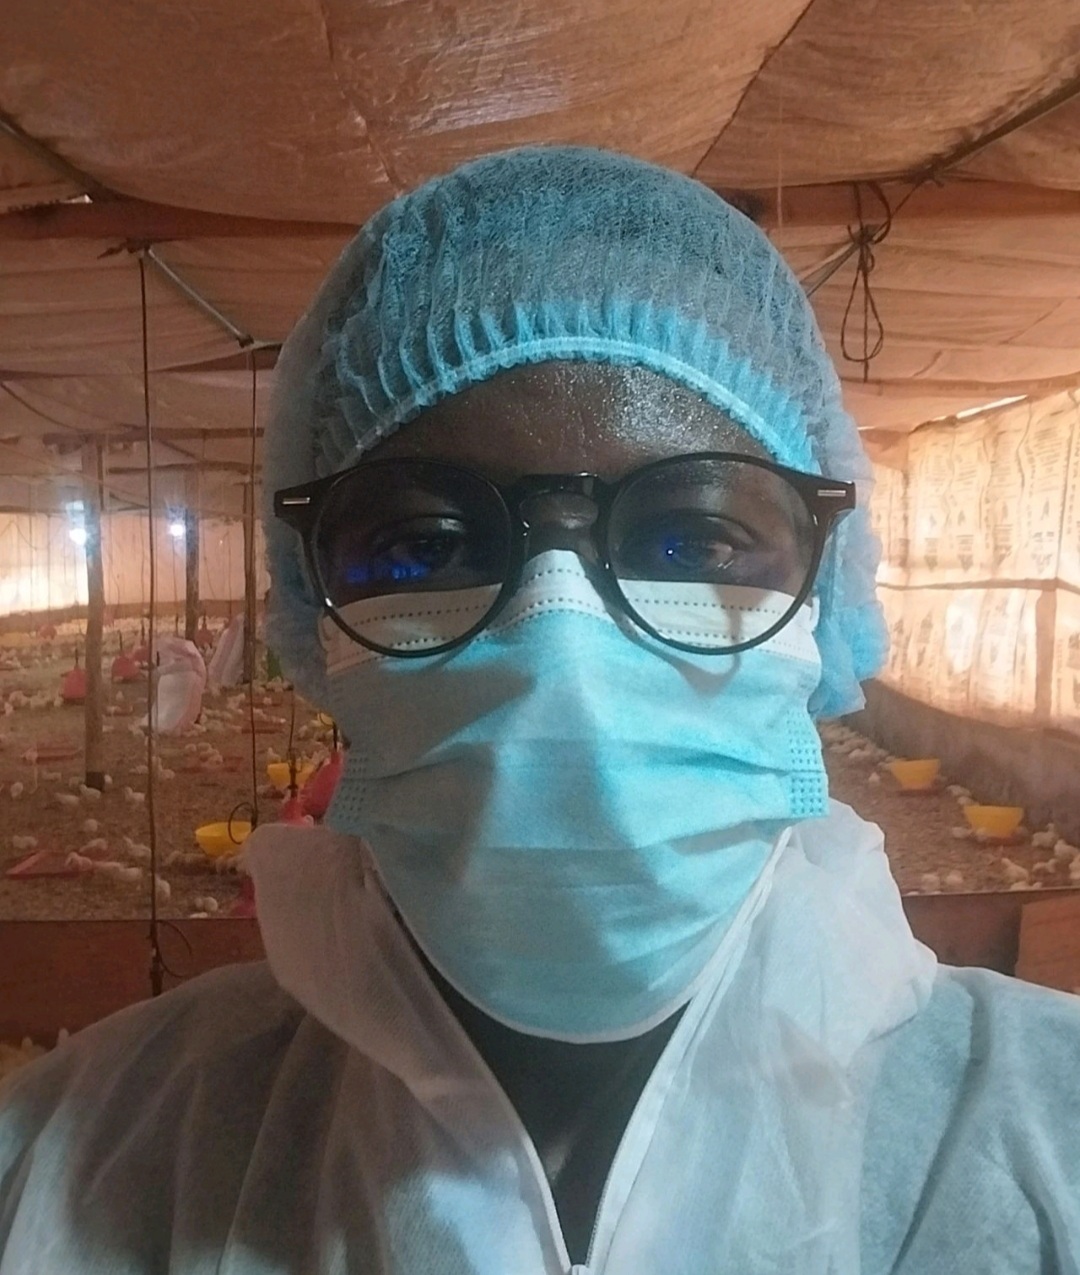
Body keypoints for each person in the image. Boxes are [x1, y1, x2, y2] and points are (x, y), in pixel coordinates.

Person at [2, 147, 1079, 1275]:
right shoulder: (82, 1164)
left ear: (823, 593)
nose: (561, 650)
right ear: (312, 614)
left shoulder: (1045, 1139)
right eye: (425, 546)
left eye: (693, 541)